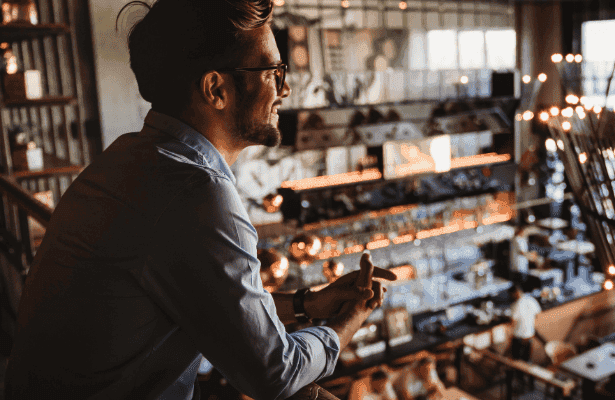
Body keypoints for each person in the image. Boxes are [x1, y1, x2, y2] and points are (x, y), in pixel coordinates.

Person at [3, 1, 396, 399]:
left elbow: (215, 304)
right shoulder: (195, 194)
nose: (286, 88)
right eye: (273, 72)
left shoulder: (132, 156)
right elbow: (274, 374)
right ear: (216, 89)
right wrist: (350, 319)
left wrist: (307, 303)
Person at [509, 286, 542, 393]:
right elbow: (537, 314)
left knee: (518, 364)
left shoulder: (515, 305)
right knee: (528, 361)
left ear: (515, 293)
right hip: (529, 337)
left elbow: (512, 322)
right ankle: (531, 385)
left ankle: (521, 387)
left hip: (518, 338)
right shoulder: (531, 300)